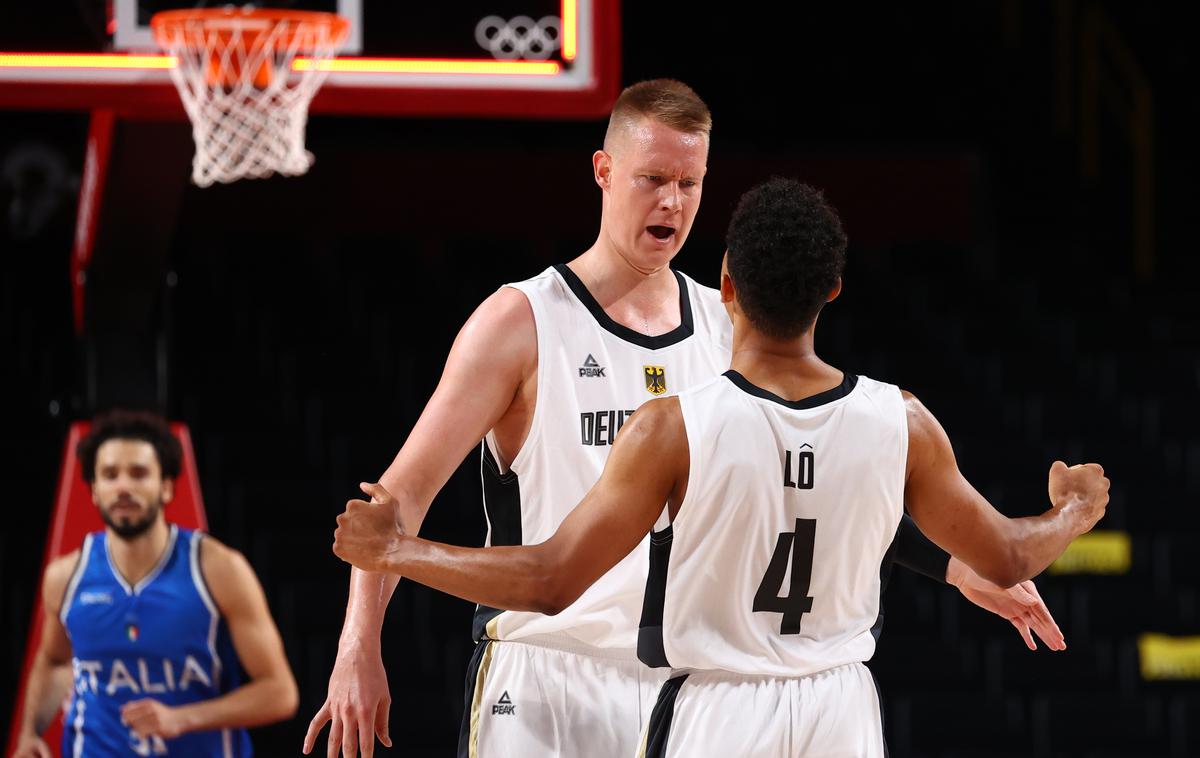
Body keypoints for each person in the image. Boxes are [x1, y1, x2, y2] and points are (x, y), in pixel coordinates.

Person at [303, 79, 1062, 758]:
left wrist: (961, 568)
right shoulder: (521, 320)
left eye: (690, 184)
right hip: (545, 677)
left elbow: (801, 491)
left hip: (681, 688)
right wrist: (356, 649)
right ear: (603, 174)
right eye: (653, 179)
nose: (671, 202)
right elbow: (396, 500)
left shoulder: (727, 320)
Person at [12, 411, 298, 758]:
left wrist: (183, 718)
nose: (123, 487)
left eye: (138, 473)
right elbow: (56, 662)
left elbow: (279, 692)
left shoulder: (219, 569)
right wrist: (29, 733)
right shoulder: (64, 576)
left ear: (166, 486)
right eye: (110, 475)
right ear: (94, 491)